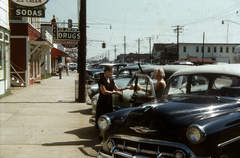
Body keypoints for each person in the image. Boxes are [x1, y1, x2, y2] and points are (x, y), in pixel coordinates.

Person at [95, 65, 130, 140]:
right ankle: (102, 135)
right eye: (111, 72)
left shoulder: (111, 80)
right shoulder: (102, 80)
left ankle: (102, 135)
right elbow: (104, 92)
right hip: (103, 102)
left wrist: (127, 88)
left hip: (109, 102)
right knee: (104, 118)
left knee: (108, 118)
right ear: (107, 71)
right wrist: (114, 93)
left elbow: (117, 88)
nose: (112, 73)